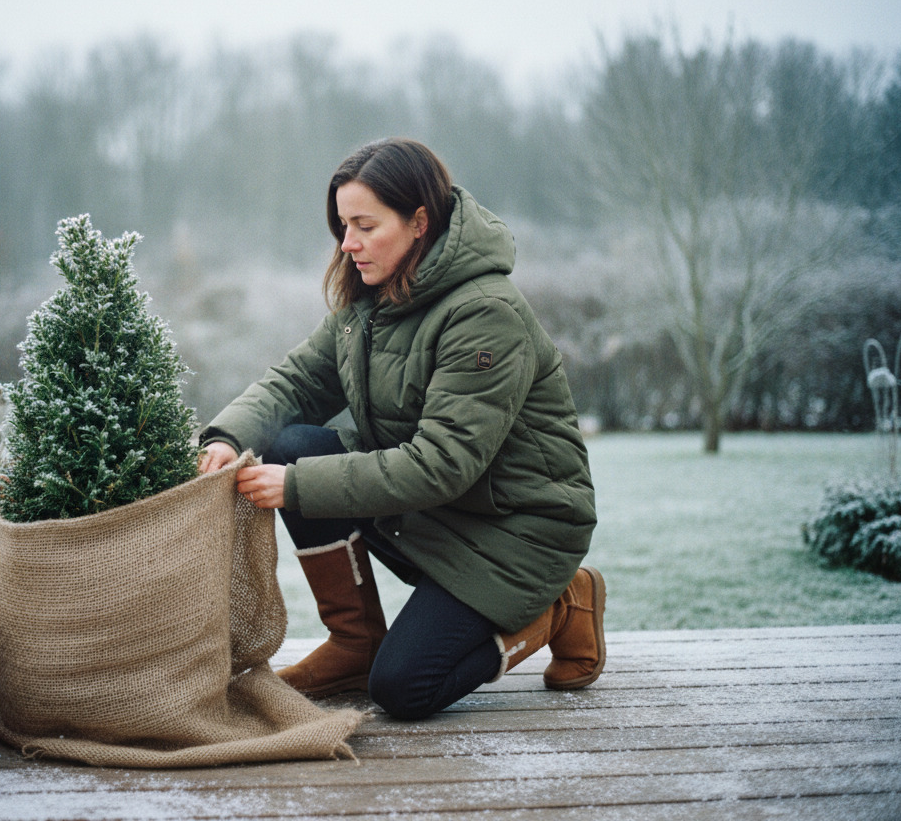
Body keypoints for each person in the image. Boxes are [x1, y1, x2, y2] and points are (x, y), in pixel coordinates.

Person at [198, 137, 603, 720]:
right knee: (292, 443)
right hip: (435, 512)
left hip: (515, 532)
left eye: (365, 226)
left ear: (419, 222)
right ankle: (355, 643)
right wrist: (227, 438)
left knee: (404, 689)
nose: (348, 244)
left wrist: (297, 486)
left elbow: (441, 464)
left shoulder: (484, 313)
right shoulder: (371, 300)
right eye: (343, 226)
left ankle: (560, 606)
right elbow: (296, 383)